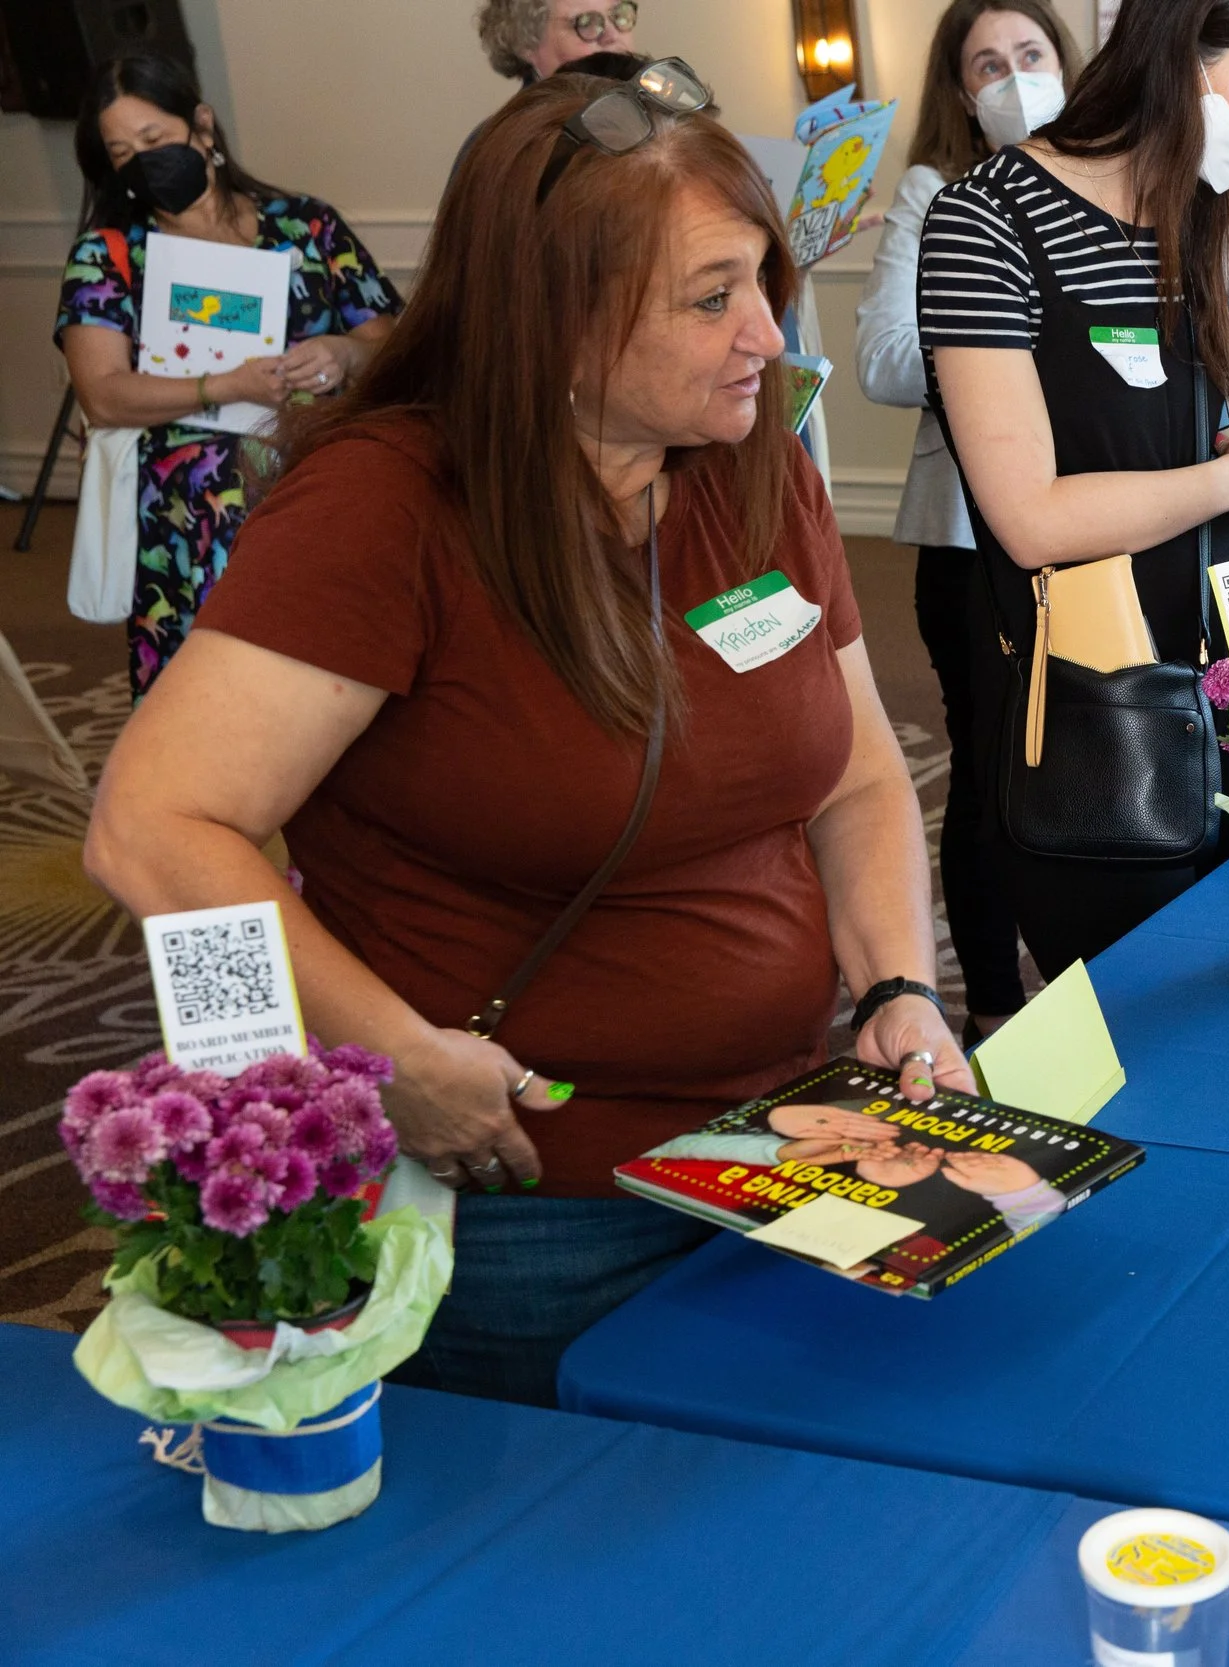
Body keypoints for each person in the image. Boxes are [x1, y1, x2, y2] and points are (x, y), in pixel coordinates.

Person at [82, 64, 965, 1407]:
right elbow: (149, 829)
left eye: (765, 284)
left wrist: (898, 985)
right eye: (712, 297)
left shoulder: (753, 460)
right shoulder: (385, 508)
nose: (769, 337)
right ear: (555, 315)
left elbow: (850, 775)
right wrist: (410, 1058)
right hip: (540, 1202)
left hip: (793, 1140)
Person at [918, 0, 1229, 975]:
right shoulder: (985, 221)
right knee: (1133, 1022)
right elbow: (1030, 518)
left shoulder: (1192, 209)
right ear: (1183, 64)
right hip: (1102, 718)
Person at [859, 0, 1084, 1042]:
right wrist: (1009, 346)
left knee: (1105, 764)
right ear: (961, 90)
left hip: (1108, 532)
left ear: (1066, 65)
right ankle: (992, 1006)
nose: (1013, 78)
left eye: (1030, 55)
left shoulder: (1122, 184)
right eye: (987, 64)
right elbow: (884, 361)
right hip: (968, 542)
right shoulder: (932, 192)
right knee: (991, 774)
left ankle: (1113, 997)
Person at [56, 55, 402, 700]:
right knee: (212, 702)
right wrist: (225, 385)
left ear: (203, 128)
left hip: (324, 495)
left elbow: (396, 346)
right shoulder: (108, 255)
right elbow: (102, 395)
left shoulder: (308, 226)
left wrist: (343, 353)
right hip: (191, 523)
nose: (143, 161)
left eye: (154, 140)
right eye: (122, 153)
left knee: (339, 687)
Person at [476, 0, 639, 84]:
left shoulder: (655, 114)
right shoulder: (516, 142)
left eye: (619, 15)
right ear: (527, 44)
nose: (612, 35)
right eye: (586, 23)